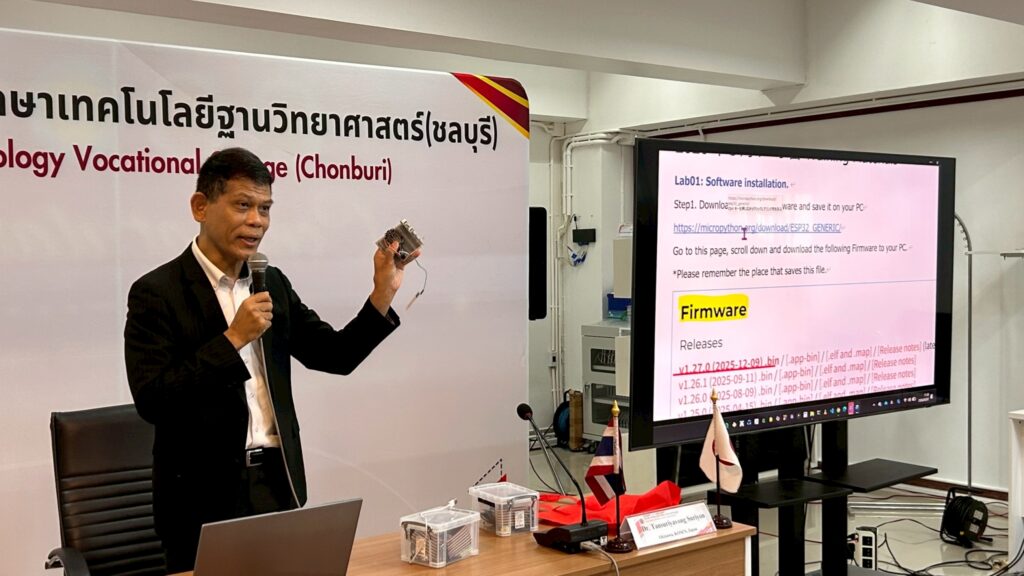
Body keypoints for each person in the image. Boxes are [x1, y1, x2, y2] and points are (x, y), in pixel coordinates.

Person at [123, 147, 418, 573]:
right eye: (243, 205)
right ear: (201, 206)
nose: (257, 221)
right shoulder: (157, 292)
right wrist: (233, 339)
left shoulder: (271, 281)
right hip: (201, 496)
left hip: (277, 484)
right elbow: (153, 399)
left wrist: (382, 293)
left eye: (265, 208)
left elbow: (334, 355)